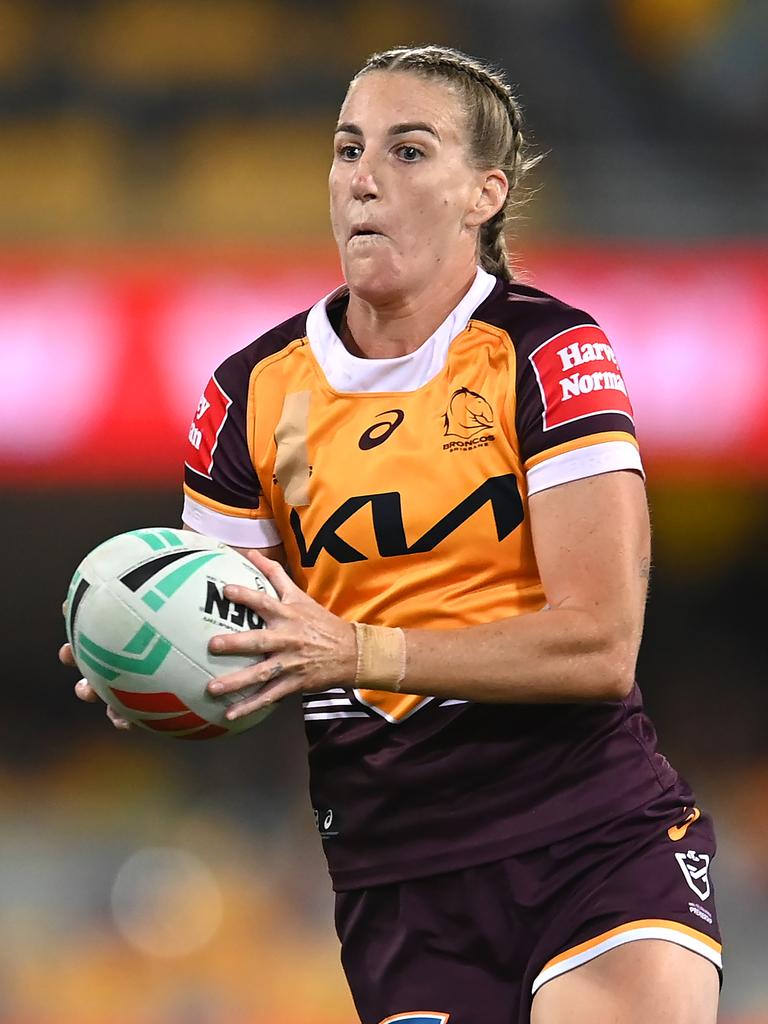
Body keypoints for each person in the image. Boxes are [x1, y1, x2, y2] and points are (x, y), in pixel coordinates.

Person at [62, 45, 722, 1024]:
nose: (363, 177)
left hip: (589, 837)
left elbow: (599, 641)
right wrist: (159, 668)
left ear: (482, 195)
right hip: (397, 878)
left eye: (409, 152)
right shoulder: (249, 393)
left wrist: (360, 648)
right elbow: (242, 642)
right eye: (347, 149)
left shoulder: (548, 352)